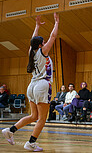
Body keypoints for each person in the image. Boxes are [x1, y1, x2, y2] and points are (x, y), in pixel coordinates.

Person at [2, 13, 59, 151]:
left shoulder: (30, 52)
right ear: (40, 45)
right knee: (42, 119)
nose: (45, 43)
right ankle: (31, 143)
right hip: (41, 85)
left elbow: (32, 40)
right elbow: (53, 37)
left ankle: (10, 130)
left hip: (32, 85)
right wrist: (56, 22)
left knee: (34, 116)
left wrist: (37, 26)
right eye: (43, 42)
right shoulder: (42, 51)